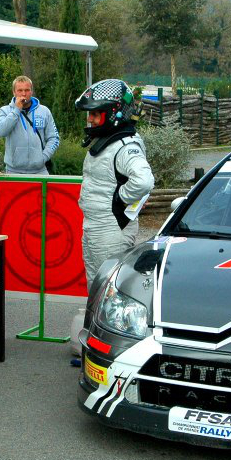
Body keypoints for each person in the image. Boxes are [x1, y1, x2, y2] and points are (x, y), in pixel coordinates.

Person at [72, 79, 154, 355]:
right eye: (89, 114)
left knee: (110, 291)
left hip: (110, 227)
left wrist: (121, 198)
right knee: (96, 287)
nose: (90, 120)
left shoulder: (125, 146)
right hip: (96, 224)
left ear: (114, 113)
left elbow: (144, 181)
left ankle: (110, 353)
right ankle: (95, 348)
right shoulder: (107, 141)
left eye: (96, 114)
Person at [0, 75, 60, 175]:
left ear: (31, 91)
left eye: (27, 90)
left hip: (40, 171)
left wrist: (44, 157)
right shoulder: (5, 111)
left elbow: (54, 138)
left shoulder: (44, 111)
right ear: (14, 92)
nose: (23, 94)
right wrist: (16, 110)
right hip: (13, 172)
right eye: (20, 90)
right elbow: (0, 132)